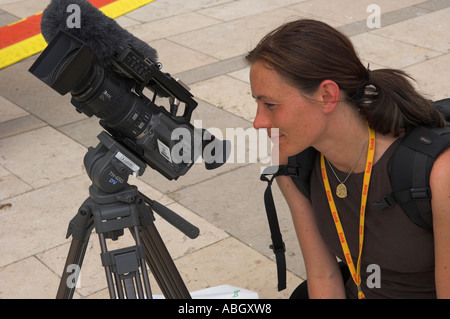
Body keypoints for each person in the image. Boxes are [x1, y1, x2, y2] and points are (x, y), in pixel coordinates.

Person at [245, 19, 450, 299]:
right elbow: (322, 275)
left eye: (270, 104)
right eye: (257, 104)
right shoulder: (289, 161)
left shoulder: (438, 171)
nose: (258, 122)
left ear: (327, 95)